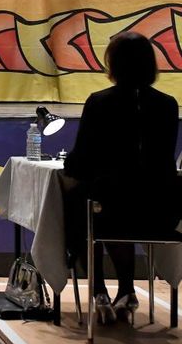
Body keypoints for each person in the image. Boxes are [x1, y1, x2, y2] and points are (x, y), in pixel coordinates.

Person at [64, 32, 180, 325]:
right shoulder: (168, 105)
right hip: (160, 213)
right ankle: (127, 290)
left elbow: (78, 163)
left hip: (111, 210)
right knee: (117, 202)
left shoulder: (99, 103)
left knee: (83, 204)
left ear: (113, 64)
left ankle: (100, 290)